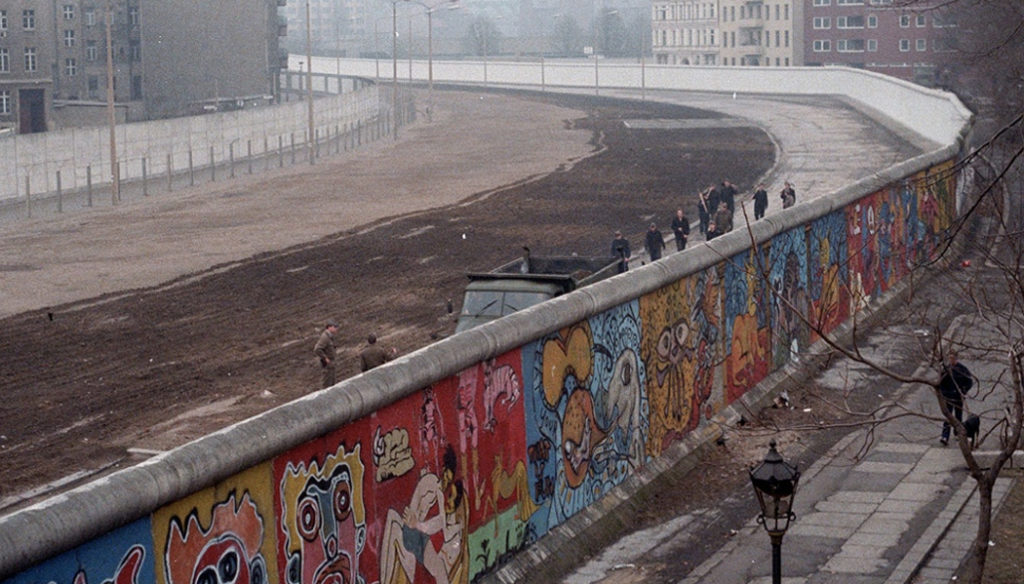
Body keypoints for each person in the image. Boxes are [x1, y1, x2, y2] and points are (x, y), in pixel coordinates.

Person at [938, 352, 975, 446]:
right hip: (948, 396)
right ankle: (945, 436)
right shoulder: (946, 369)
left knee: (958, 416)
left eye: (953, 358)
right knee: (948, 416)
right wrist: (944, 393)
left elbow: (969, 381)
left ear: (956, 359)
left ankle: (957, 433)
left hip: (958, 396)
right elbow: (941, 382)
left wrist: (963, 391)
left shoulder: (962, 369)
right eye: (950, 358)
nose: (951, 360)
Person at [314, 320, 339, 389]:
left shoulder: (330, 336)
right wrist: (325, 358)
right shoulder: (325, 337)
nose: (336, 329)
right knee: (326, 384)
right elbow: (317, 349)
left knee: (332, 383)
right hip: (328, 364)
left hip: (331, 363)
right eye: (335, 327)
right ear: (329, 327)